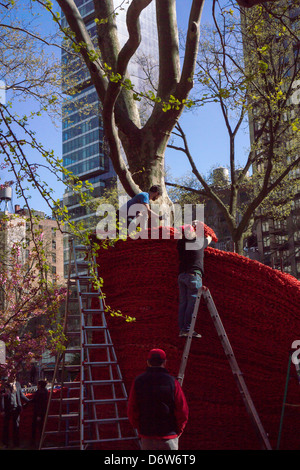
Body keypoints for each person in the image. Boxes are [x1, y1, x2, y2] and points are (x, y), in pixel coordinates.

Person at [127, 349, 189, 450]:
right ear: (165, 362)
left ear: (148, 362)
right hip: (169, 437)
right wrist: (179, 431)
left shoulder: (138, 381)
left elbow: (132, 409)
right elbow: (182, 410)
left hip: (147, 436)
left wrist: (140, 428)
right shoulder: (172, 382)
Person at [177, 223, 212, 338]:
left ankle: (182, 329)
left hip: (182, 276)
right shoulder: (198, 242)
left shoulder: (180, 243)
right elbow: (210, 237)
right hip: (193, 275)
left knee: (183, 303)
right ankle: (187, 329)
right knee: (192, 303)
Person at [0, 375, 30, 448]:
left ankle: (16, 443)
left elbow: (21, 395)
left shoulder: (17, 384)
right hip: (7, 409)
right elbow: (1, 398)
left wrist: (29, 401)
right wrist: (2, 409)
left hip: (16, 408)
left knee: (16, 426)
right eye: (12, 377)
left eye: (15, 377)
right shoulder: (4, 385)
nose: (14, 378)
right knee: (6, 427)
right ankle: (5, 443)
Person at [31, 379, 48, 447]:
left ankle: (38, 443)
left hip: (39, 413)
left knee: (38, 428)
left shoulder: (41, 393)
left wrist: (39, 415)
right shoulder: (44, 391)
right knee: (40, 428)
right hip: (40, 412)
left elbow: (41, 404)